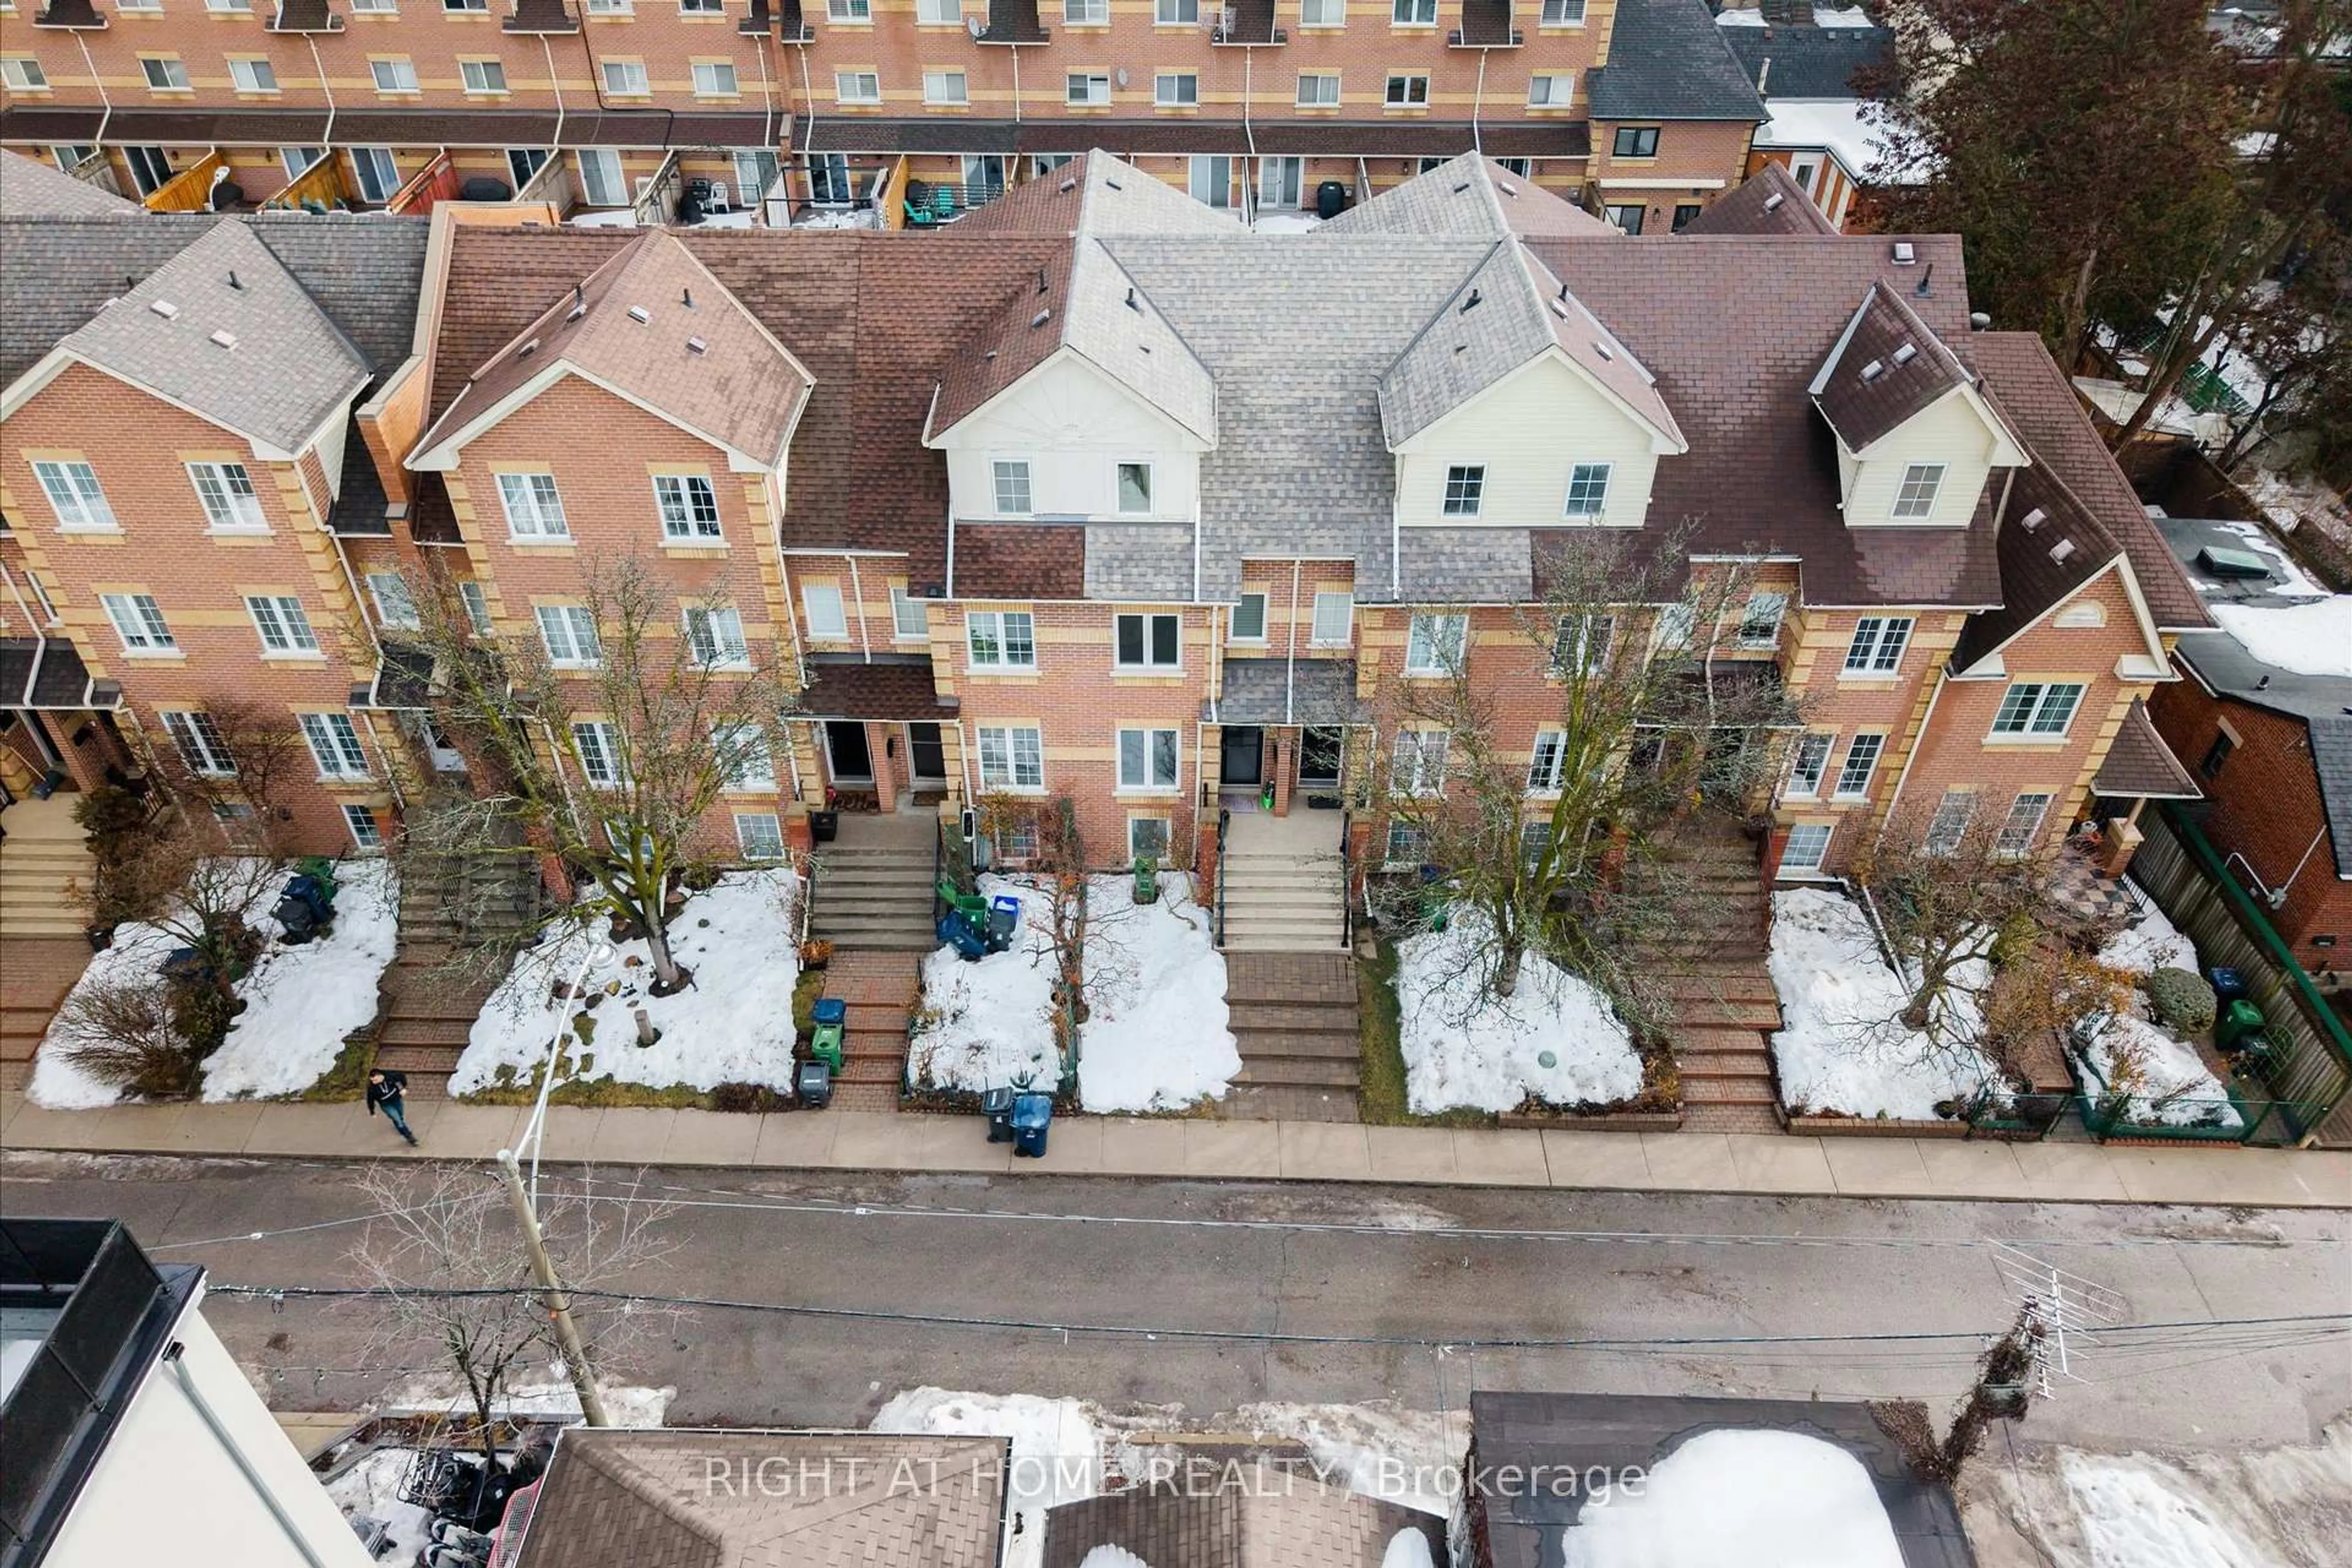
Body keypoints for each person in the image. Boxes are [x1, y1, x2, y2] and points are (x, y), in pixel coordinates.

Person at [366, 1068, 418, 1146]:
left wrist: (403, 1088)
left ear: (381, 1076)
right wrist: (372, 1111)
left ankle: (399, 1126)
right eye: (372, 1080)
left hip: (397, 1100)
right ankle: (409, 1136)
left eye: (375, 1080)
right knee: (398, 1120)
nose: (374, 1082)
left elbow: (401, 1078)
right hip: (386, 1104)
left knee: (400, 1116)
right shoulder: (372, 1088)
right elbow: (370, 1100)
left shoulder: (390, 1076)